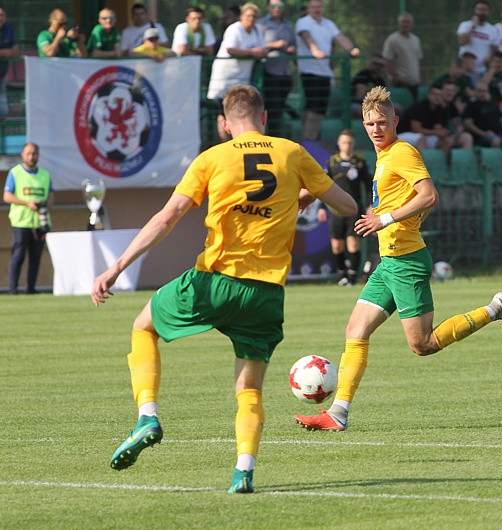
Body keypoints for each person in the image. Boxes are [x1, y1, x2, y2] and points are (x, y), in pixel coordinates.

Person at [92, 85, 357, 494]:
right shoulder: (291, 153)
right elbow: (347, 207)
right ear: (265, 118)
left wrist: (116, 266)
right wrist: (303, 194)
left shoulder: (212, 158)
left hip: (214, 281)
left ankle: (148, 416)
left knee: (143, 327)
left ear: (223, 123)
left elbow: (168, 218)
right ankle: (243, 471)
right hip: (266, 293)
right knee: (248, 388)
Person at [294, 86, 502, 432]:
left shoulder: (402, 151)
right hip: (389, 263)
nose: (376, 129)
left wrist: (385, 219)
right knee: (356, 331)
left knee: (422, 345)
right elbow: (391, 201)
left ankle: (497, 307)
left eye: (382, 122)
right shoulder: (383, 156)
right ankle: (338, 414)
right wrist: (328, 199)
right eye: (369, 123)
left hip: (406, 261)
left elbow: (429, 195)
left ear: (395, 120)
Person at [295, 0, 360, 141]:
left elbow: (340, 37)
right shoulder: (303, 22)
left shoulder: (328, 23)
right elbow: (306, 36)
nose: (316, 9)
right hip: (309, 71)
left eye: (319, 7)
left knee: (321, 109)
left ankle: (312, 139)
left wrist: (351, 49)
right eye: (313, 7)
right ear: (309, 8)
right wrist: (315, 50)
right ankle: (307, 140)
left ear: (322, 8)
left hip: (325, 72)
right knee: (312, 107)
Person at [207, 3, 267, 140]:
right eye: (248, 15)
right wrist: (253, 52)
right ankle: (225, 145)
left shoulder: (258, 30)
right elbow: (231, 49)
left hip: (242, 80)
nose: (251, 19)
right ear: (242, 16)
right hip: (224, 79)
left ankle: (239, 143)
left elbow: (264, 49)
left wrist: (261, 52)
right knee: (223, 113)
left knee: (242, 111)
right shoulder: (234, 29)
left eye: (253, 16)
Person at [3, 143, 52, 295]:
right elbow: (7, 196)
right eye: (28, 154)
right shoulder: (15, 173)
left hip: (40, 223)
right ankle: (13, 289)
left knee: (36, 257)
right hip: (21, 222)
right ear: (23, 155)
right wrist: (27, 203)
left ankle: (30, 289)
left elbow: (51, 196)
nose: (32, 157)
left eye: (34, 154)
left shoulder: (45, 175)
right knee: (18, 256)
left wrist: (44, 206)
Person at [323, 129, 370, 286]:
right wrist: (321, 207)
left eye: (349, 142)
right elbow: (323, 186)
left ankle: (352, 277)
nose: (347, 145)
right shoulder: (332, 162)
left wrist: (371, 205)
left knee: (353, 243)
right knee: (337, 246)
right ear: (339, 143)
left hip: (354, 209)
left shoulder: (360, 163)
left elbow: (370, 186)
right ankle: (342, 274)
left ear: (353, 143)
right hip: (335, 209)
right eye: (344, 142)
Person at [398, 83, 473, 155]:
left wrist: (443, 133)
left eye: (439, 95)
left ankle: (442, 164)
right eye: (435, 94)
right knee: (421, 138)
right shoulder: (419, 107)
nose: (437, 97)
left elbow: (437, 127)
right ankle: (424, 165)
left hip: (424, 136)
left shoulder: (438, 109)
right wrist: (436, 132)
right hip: (404, 135)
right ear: (429, 95)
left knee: (445, 140)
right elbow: (416, 129)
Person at [258, 0, 295, 136]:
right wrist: (275, 44)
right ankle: (271, 137)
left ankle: (278, 136)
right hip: (268, 71)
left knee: (280, 108)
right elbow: (257, 44)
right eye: (274, 5)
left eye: (280, 5)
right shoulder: (261, 24)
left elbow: (293, 44)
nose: (277, 8)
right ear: (268, 7)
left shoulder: (288, 25)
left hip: (285, 72)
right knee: (272, 108)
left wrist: (291, 48)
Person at [382, 13, 423, 100]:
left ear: (412, 24)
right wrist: (396, 77)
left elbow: (418, 60)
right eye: (403, 22)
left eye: (408, 22)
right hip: (400, 83)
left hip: (414, 82)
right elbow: (388, 60)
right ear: (399, 23)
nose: (406, 24)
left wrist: (419, 77)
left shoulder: (416, 40)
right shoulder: (392, 40)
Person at [456, 0, 498, 81]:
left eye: (484, 10)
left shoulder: (492, 29)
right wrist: (473, 26)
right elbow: (462, 42)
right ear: (474, 10)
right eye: (479, 9)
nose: (481, 12)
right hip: (465, 70)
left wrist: (490, 58)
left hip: (481, 70)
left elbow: (494, 48)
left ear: (488, 12)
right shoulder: (465, 25)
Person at [0, 7, 20, 118]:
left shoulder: (9, 29)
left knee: (3, 113)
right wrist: (7, 52)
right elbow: (11, 51)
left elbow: (16, 52)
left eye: (2, 15)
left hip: (1, 79)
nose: (0, 18)